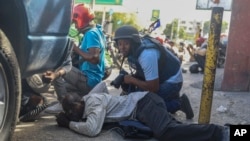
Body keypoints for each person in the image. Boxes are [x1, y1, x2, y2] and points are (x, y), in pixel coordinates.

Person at [55, 82, 229, 141]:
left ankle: (224, 132)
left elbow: (92, 130)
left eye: (72, 108)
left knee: (165, 132)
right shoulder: (88, 100)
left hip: (144, 104)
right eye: (68, 111)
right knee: (176, 132)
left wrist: (69, 123)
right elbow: (101, 85)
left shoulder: (92, 103)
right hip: (143, 106)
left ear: (81, 100)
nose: (71, 112)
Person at [113, 25, 193, 119]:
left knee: (143, 107)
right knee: (136, 96)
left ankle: (179, 103)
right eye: (120, 44)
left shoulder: (146, 55)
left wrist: (132, 80)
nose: (122, 47)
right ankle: (170, 99)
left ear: (133, 42)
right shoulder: (135, 50)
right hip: (162, 76)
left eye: (126, 43)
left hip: (172, 81)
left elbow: (153, 87)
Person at [44, 3, 106, 113]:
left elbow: (94, 58)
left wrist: (75, 48)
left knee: (58, 67)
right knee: (62, 85)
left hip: (89, 79)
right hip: (92, 80)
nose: (75, 25)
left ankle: (62, 103)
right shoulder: (96, 31)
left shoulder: (91, 34)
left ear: (82, 19)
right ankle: (71, 103)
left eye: (75, 21)